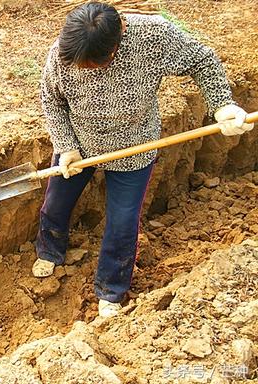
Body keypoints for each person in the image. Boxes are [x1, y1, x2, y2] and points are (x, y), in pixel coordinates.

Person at [34, 2, 253, 318]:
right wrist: (67, 146)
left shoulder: (153, 35)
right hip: (79, 146)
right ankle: (50, 250)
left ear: (118, 39)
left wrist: (222, 106)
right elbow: (52, 102)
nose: (89, 70)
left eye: (97, 64)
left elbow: (202, 60)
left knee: (123, 223)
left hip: (133, 147)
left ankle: (111, 289)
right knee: (55, 203)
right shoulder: (63, 53)